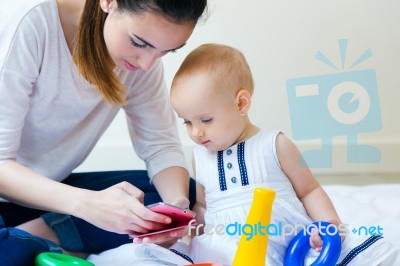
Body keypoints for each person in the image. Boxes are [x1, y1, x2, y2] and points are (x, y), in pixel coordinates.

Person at [0, 0, 207, 264]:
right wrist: (86, 204)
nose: (147, 63)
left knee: (185, 194)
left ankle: (41, 236)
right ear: (109, 2)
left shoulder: (144, 60)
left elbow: (161, 146)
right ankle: (43, 242)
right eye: (139, 43)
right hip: (15, 191)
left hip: (50, 196)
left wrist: (174, 211)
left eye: (168, 51)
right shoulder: (31, 22)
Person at [167, 43, 400, 265]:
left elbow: (309, 190)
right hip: (228, 246)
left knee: (359, 253)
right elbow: (204, 207)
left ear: (241, 104)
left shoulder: (274, 144)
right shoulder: (200, 157)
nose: (196, 132)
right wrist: (191, 235)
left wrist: (329, 224)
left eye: (206, 120)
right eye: (187, 122)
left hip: (286, 241)